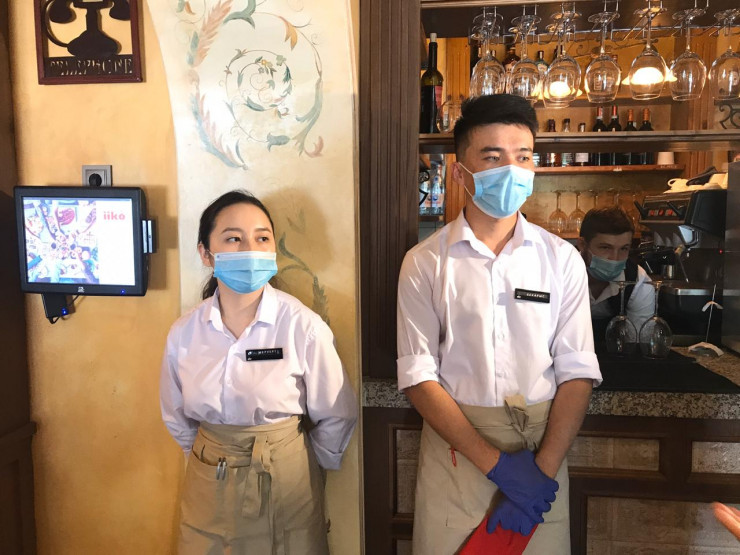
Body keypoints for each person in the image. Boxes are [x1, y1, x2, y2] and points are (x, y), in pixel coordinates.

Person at [397, 94, 601, 554]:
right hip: (458, 453)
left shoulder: (562, 259)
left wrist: (538, 474)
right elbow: (418, 377)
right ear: (460, 172)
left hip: (542, 453)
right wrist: (497, 466)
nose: (512, 169)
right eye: (492, 157)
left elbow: (576, 371)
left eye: (523, 157)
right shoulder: (425, 262)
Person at [160, 190, 357, 554]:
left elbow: (337, 414)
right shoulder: (184, 333)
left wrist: (301, 465)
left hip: (287, 483)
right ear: (206, 253)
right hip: (208, 479)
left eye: (262, 238)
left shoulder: (302, 326)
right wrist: (207, 453)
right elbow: (176, 416)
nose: (250, 249)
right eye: (233, 239)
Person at [577, 207, 654, 344]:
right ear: (582, 245)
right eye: (605, 247)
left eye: (623, 249)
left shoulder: (637, 280)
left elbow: (638, 341)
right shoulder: (559, 274)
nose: (615, 258)